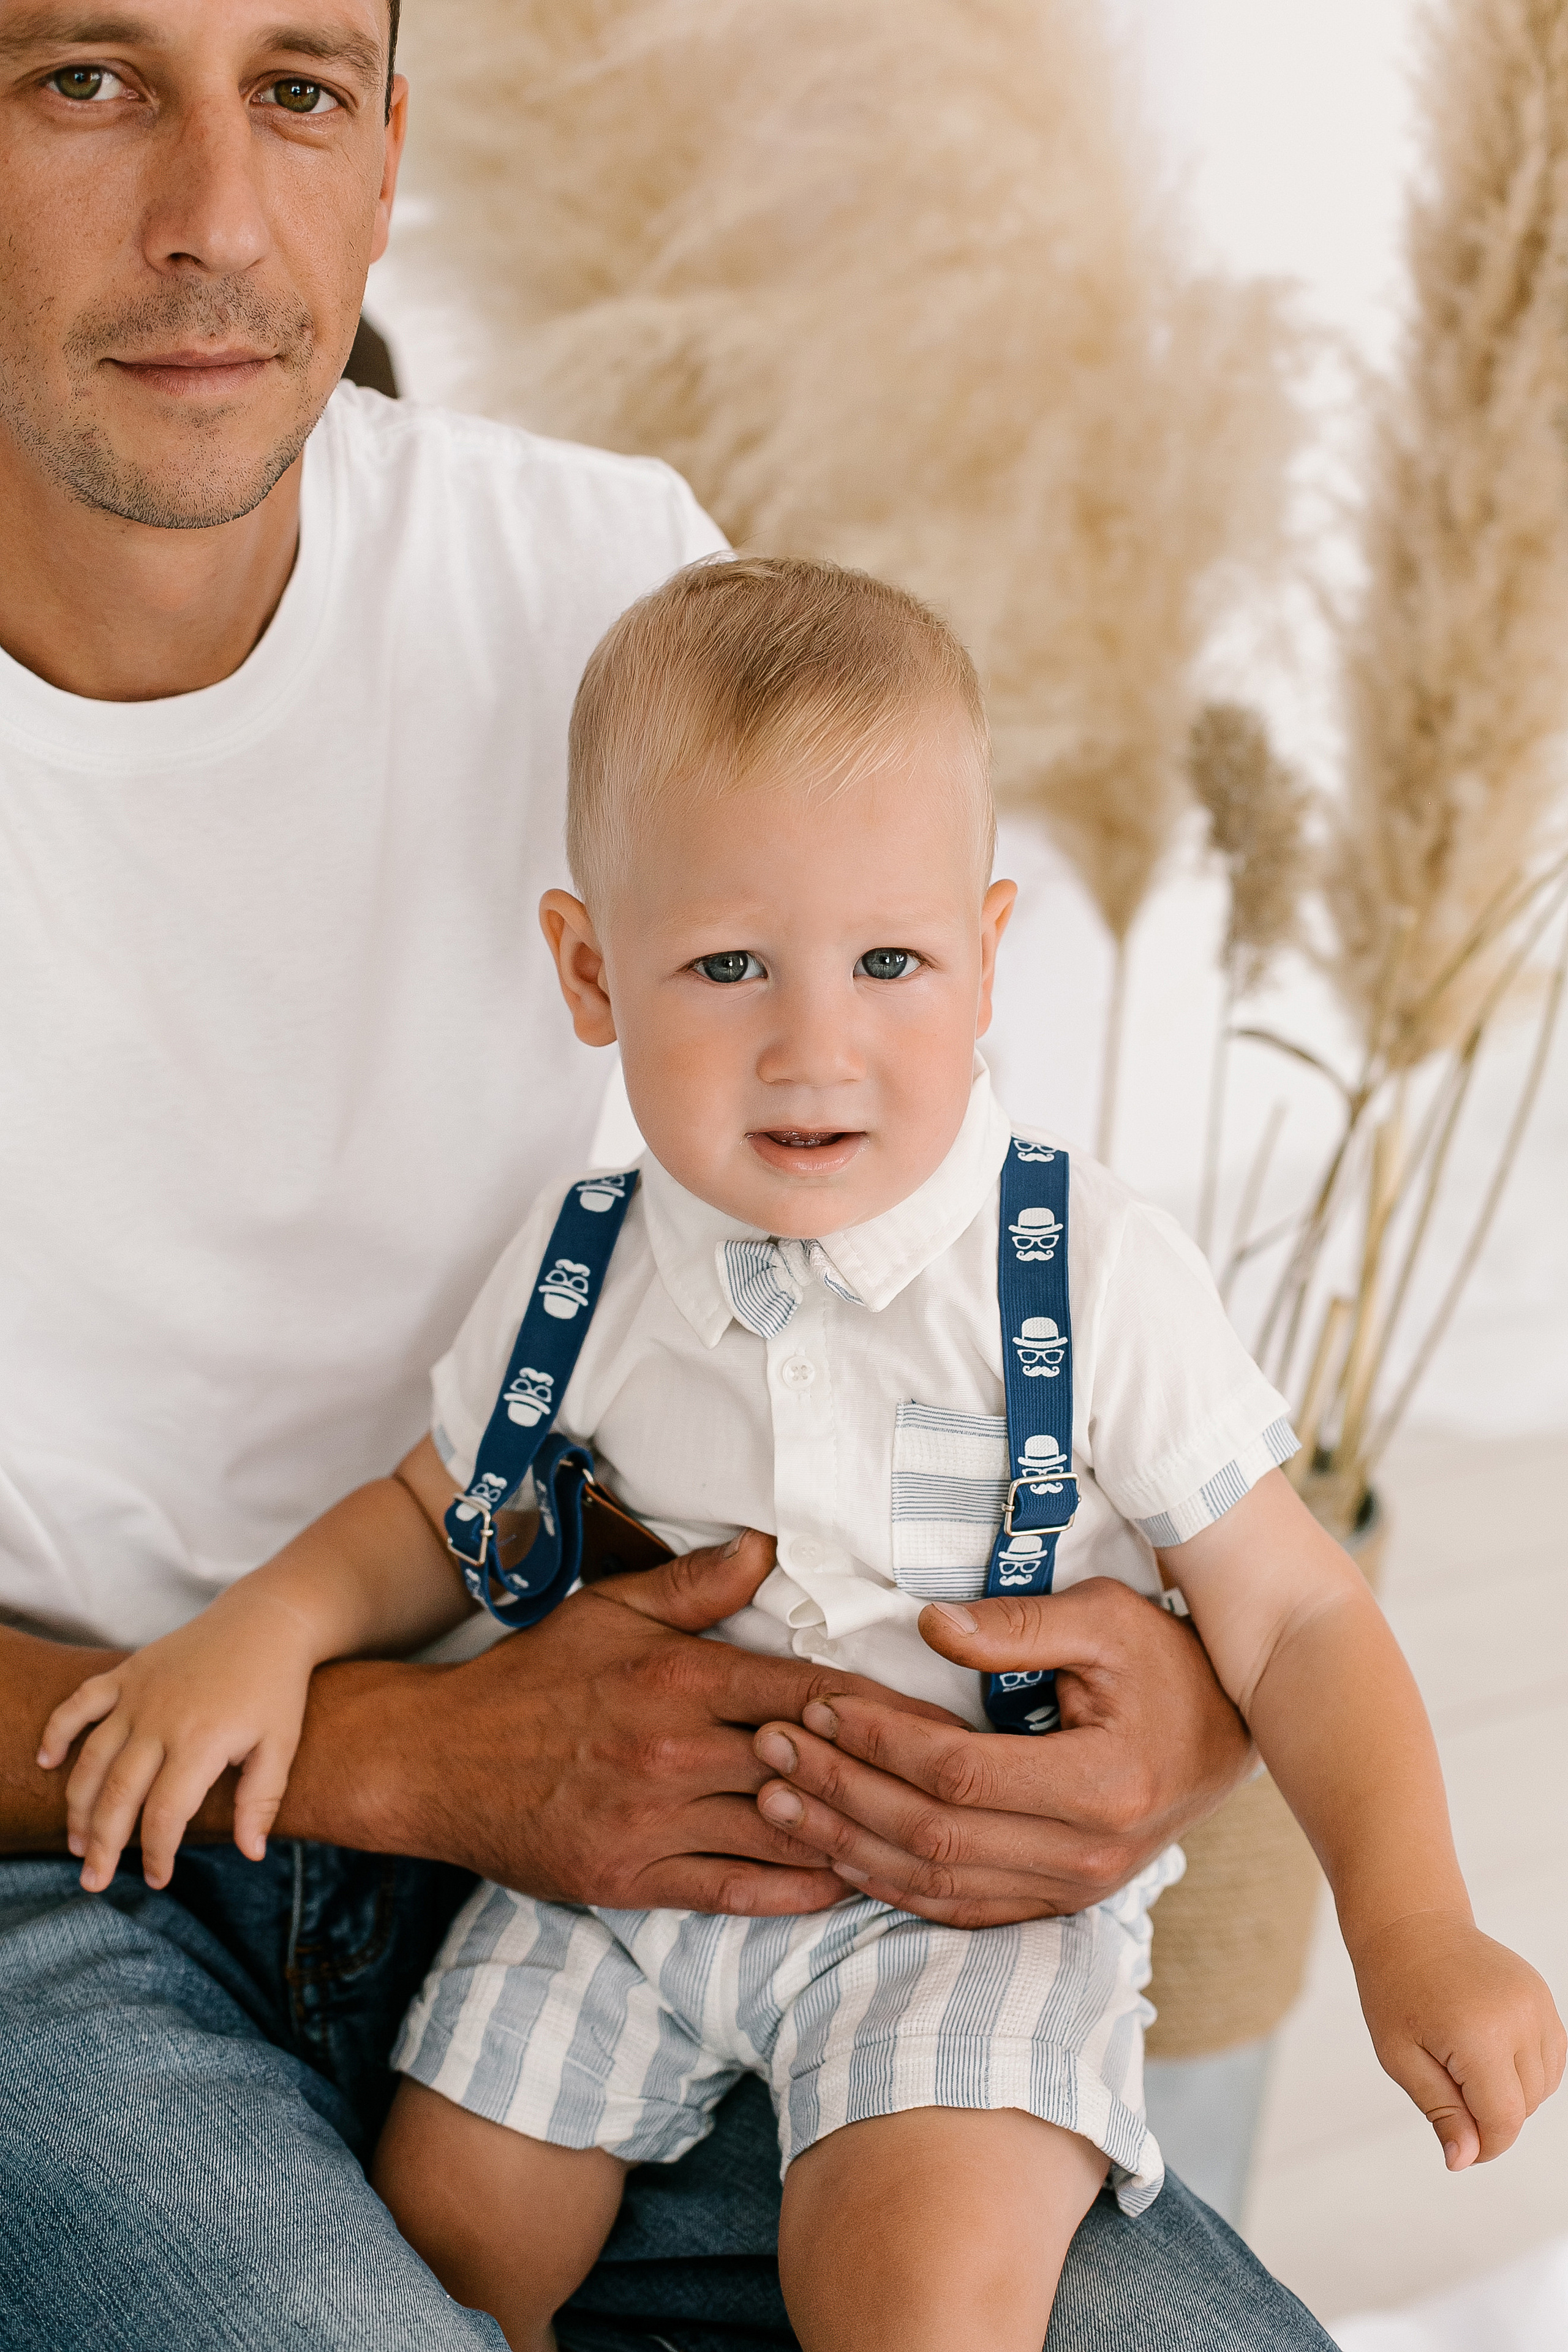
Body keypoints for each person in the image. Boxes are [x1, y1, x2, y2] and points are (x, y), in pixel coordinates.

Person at [0, 4, 1369, 2348]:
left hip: (701, 1826)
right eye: (82, 79)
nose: (216, 217)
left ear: (393, 144)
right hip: (76, 1882)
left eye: (301, 87)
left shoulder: (604, 583)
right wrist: (420, 1758)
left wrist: (1177, 1708)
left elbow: (962, 1273)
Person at [40, 559, 1564, 2352]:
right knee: (446, 2240)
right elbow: (437, 1513)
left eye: (891, 961)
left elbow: (1299, 1619)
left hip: (957, 1909)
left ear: (990, 959)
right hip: (629, 1883)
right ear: (592, 971)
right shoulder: (589, 1259)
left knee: (910, 2300)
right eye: (729, 963)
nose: (813, 1044)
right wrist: (262, 1632)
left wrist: (1416, 1925)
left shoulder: (1079, 1270)